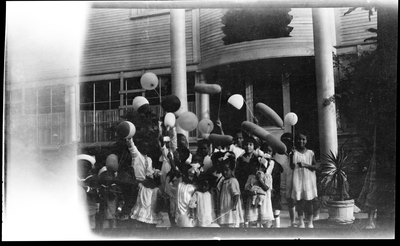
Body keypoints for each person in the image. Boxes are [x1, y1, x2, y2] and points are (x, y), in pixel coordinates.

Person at [291, 130, 318, 228]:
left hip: (308, 179)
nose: (301, 141)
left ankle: (310, 222)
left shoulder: (310, 153)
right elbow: (291, 166)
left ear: (306, 141)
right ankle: (301, 222)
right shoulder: (294, 153)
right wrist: (291, 155)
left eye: (303, 139)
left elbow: (315, 167)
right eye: (299, 139)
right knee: (299, 201)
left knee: (309, 200)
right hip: (298, 178)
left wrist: (305, 165)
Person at [274, 132, 297, 227]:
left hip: (291, 178)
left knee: (291, 200)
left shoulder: (294, 153)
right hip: (280, 178)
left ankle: (293, 221)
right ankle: (277, 223)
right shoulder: (277, 154)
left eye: (288, 142)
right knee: (279, 200)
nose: (286, 144)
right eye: (283, 142)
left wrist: (291, 155)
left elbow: (293, 165)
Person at [244, 157, 274, 228]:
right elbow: (246, 188)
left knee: (266, 223)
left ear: (264, 168)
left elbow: (266, 188)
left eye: (261, 167)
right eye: (256, 167)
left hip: (264, 202)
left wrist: (260, 179)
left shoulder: (267, 176)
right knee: (253, 222)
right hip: (253, 202)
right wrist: (250, 192)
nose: (258, 169)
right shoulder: (251, 177)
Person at [218, 151, 244, 228]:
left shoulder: (232, 181)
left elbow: (236, 194)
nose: (224, 172)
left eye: (227, 170)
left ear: (232, 170)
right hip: (225, 208)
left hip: (231, 208)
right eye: (223, 170)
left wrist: (234, 205)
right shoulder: (223, 181)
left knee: (231, 225)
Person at [77, 154, 100, 229]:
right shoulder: (75, 179)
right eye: (80, 166)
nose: (83, 169)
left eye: (85, 167)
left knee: (91, 226)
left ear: (89, 168)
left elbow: (96, 192)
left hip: (90, 207)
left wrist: (87, 189)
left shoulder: (92, 179)